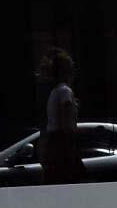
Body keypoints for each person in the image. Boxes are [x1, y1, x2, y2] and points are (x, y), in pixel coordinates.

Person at [37, 47, 89, 184]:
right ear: (67, 72)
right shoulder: (65, 91)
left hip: (53, 143)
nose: (75, 72)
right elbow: (67, 126)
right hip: (63, 145)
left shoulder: (55, 91)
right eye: (72, 68)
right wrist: (88, 132)